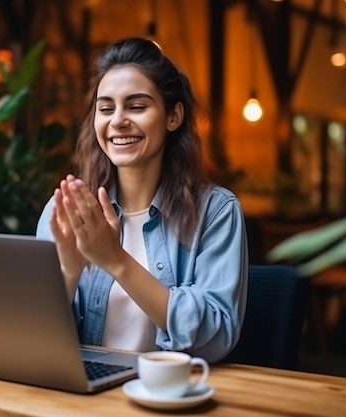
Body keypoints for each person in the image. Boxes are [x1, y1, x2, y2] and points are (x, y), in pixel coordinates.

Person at [36, 37, 247, 363]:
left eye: (136, 106)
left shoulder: (215, 212)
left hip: (167, 398)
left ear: (173, 116)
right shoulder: (64, 211)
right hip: (83, 395)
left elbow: (216, 337)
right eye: (106, 108)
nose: (118, 120)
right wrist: (68, 271)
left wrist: (115, 260)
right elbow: (36, 341)